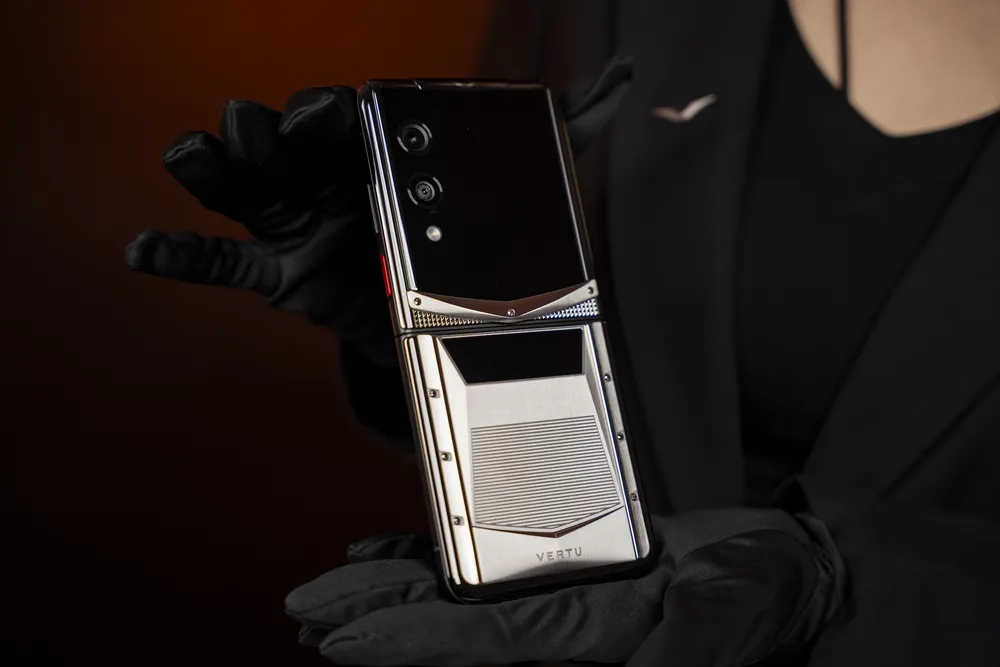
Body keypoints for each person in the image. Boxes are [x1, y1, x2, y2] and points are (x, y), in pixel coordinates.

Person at [125, 0, 1000, 665]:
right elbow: (558, 347)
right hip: (570, 618)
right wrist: (396, 323)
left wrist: (841, 587)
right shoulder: (609, 13)